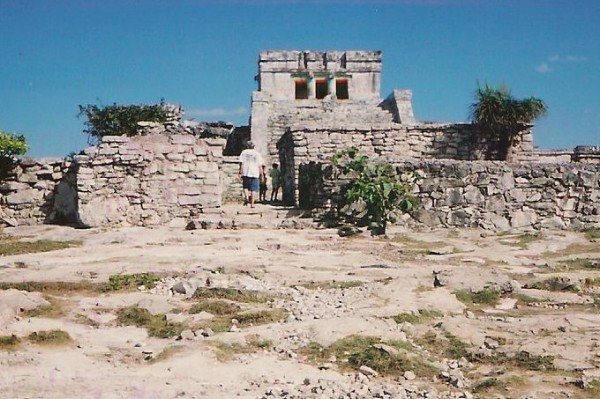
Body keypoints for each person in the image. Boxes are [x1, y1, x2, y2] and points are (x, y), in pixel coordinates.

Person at [238, 141, 264, 208]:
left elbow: (241, 163)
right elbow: (260, 165)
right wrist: (262, 175)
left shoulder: (243, 152)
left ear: (247, 146)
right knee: (254, 189)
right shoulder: (257, 154)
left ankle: (246, 197)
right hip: (255, 173)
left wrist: (240, 172)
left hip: (246, 172)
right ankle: (252, 204)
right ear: (254, 146)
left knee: (245, 186)